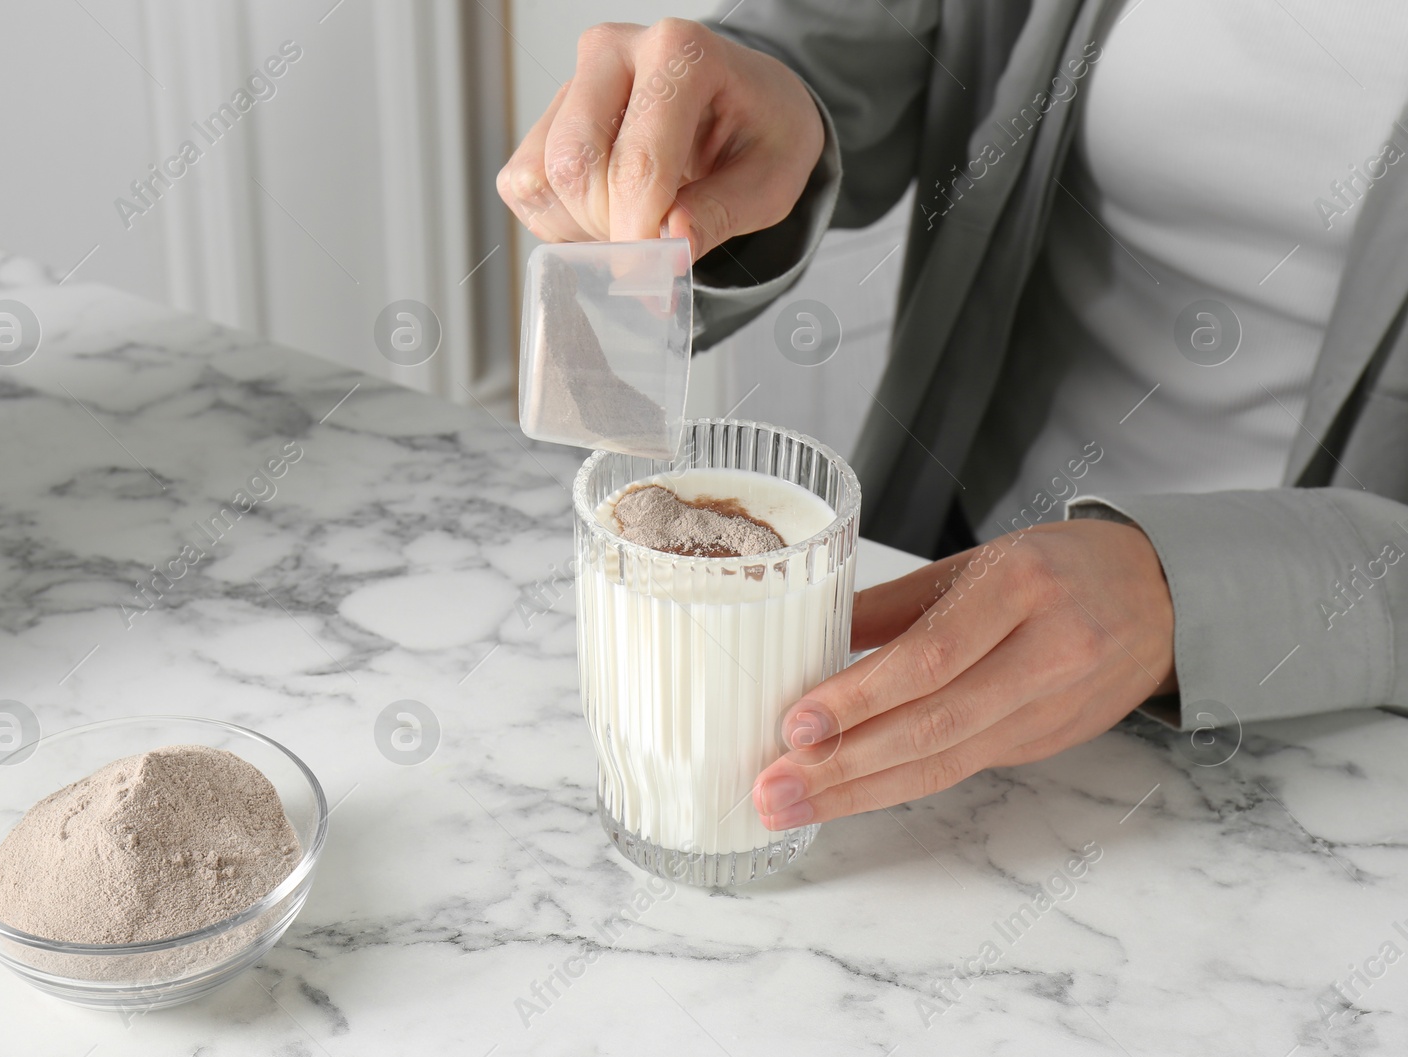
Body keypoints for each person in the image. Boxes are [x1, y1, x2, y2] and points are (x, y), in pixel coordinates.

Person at [496, 0, 1408, 834]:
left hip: (1345, 748)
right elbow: (844, 47)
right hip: (949, 576)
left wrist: (1182, 595)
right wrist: (735, 111)